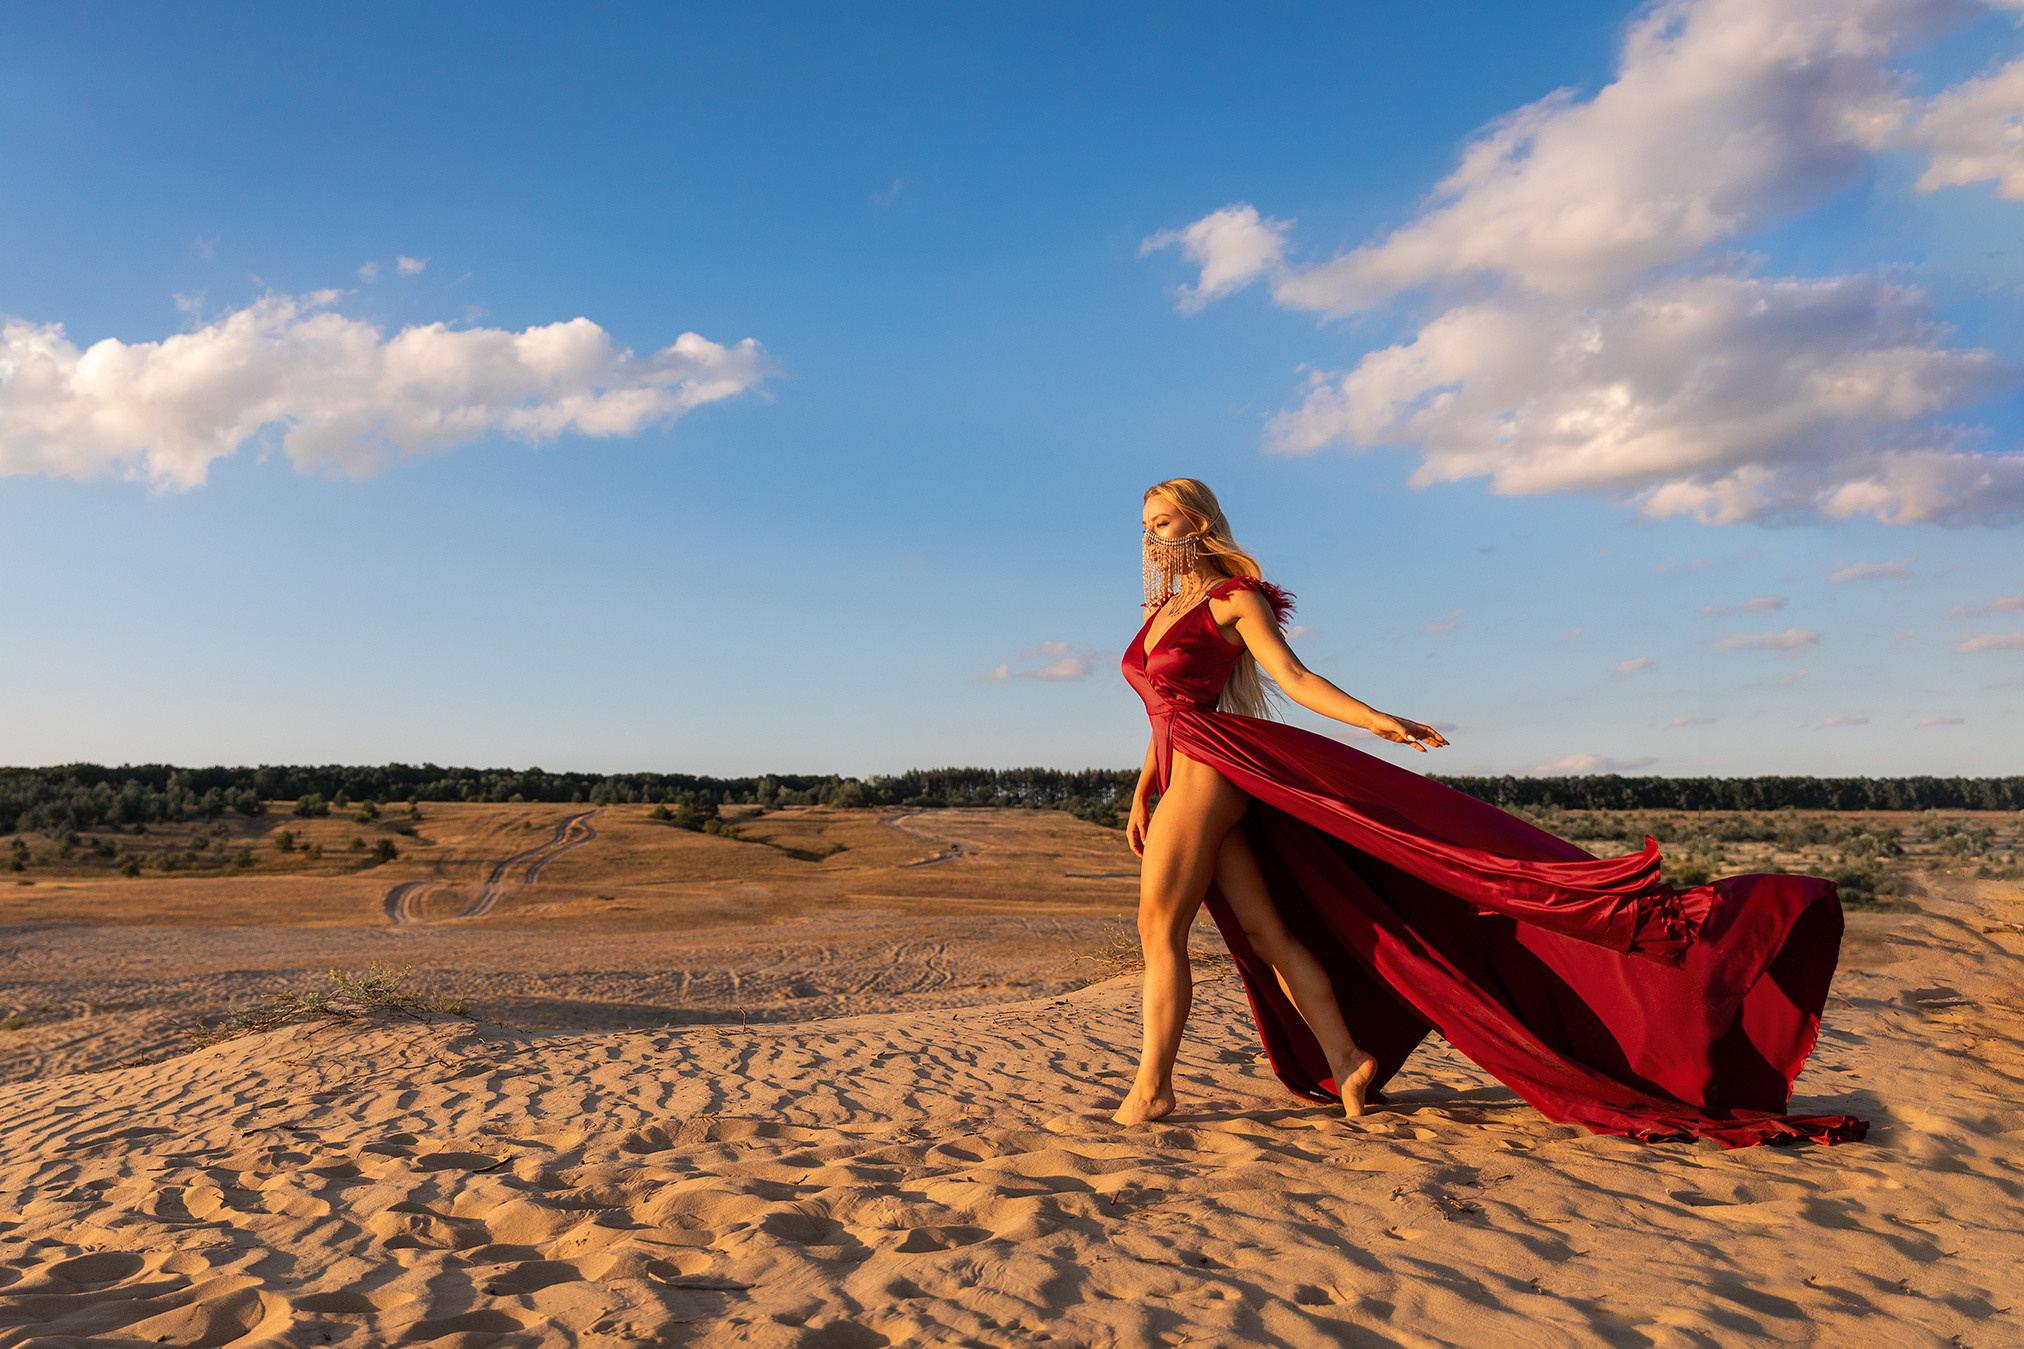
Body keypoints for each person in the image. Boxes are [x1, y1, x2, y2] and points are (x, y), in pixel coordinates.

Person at [1115, 478, 1864, 1148]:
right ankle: (1347, 1059)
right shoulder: (1159, 608)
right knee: (1265, 931)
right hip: (1181, 769)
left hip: (1212, 771)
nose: (1158, 536)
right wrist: (1145, 789)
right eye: (1149, 525)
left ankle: (1154, 1087)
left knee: (1160, 929)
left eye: (1171, 522)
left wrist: (1379, 719)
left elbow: (1295, 678)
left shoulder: (1231, 599)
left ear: (1204, 524)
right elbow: (1163, 710)